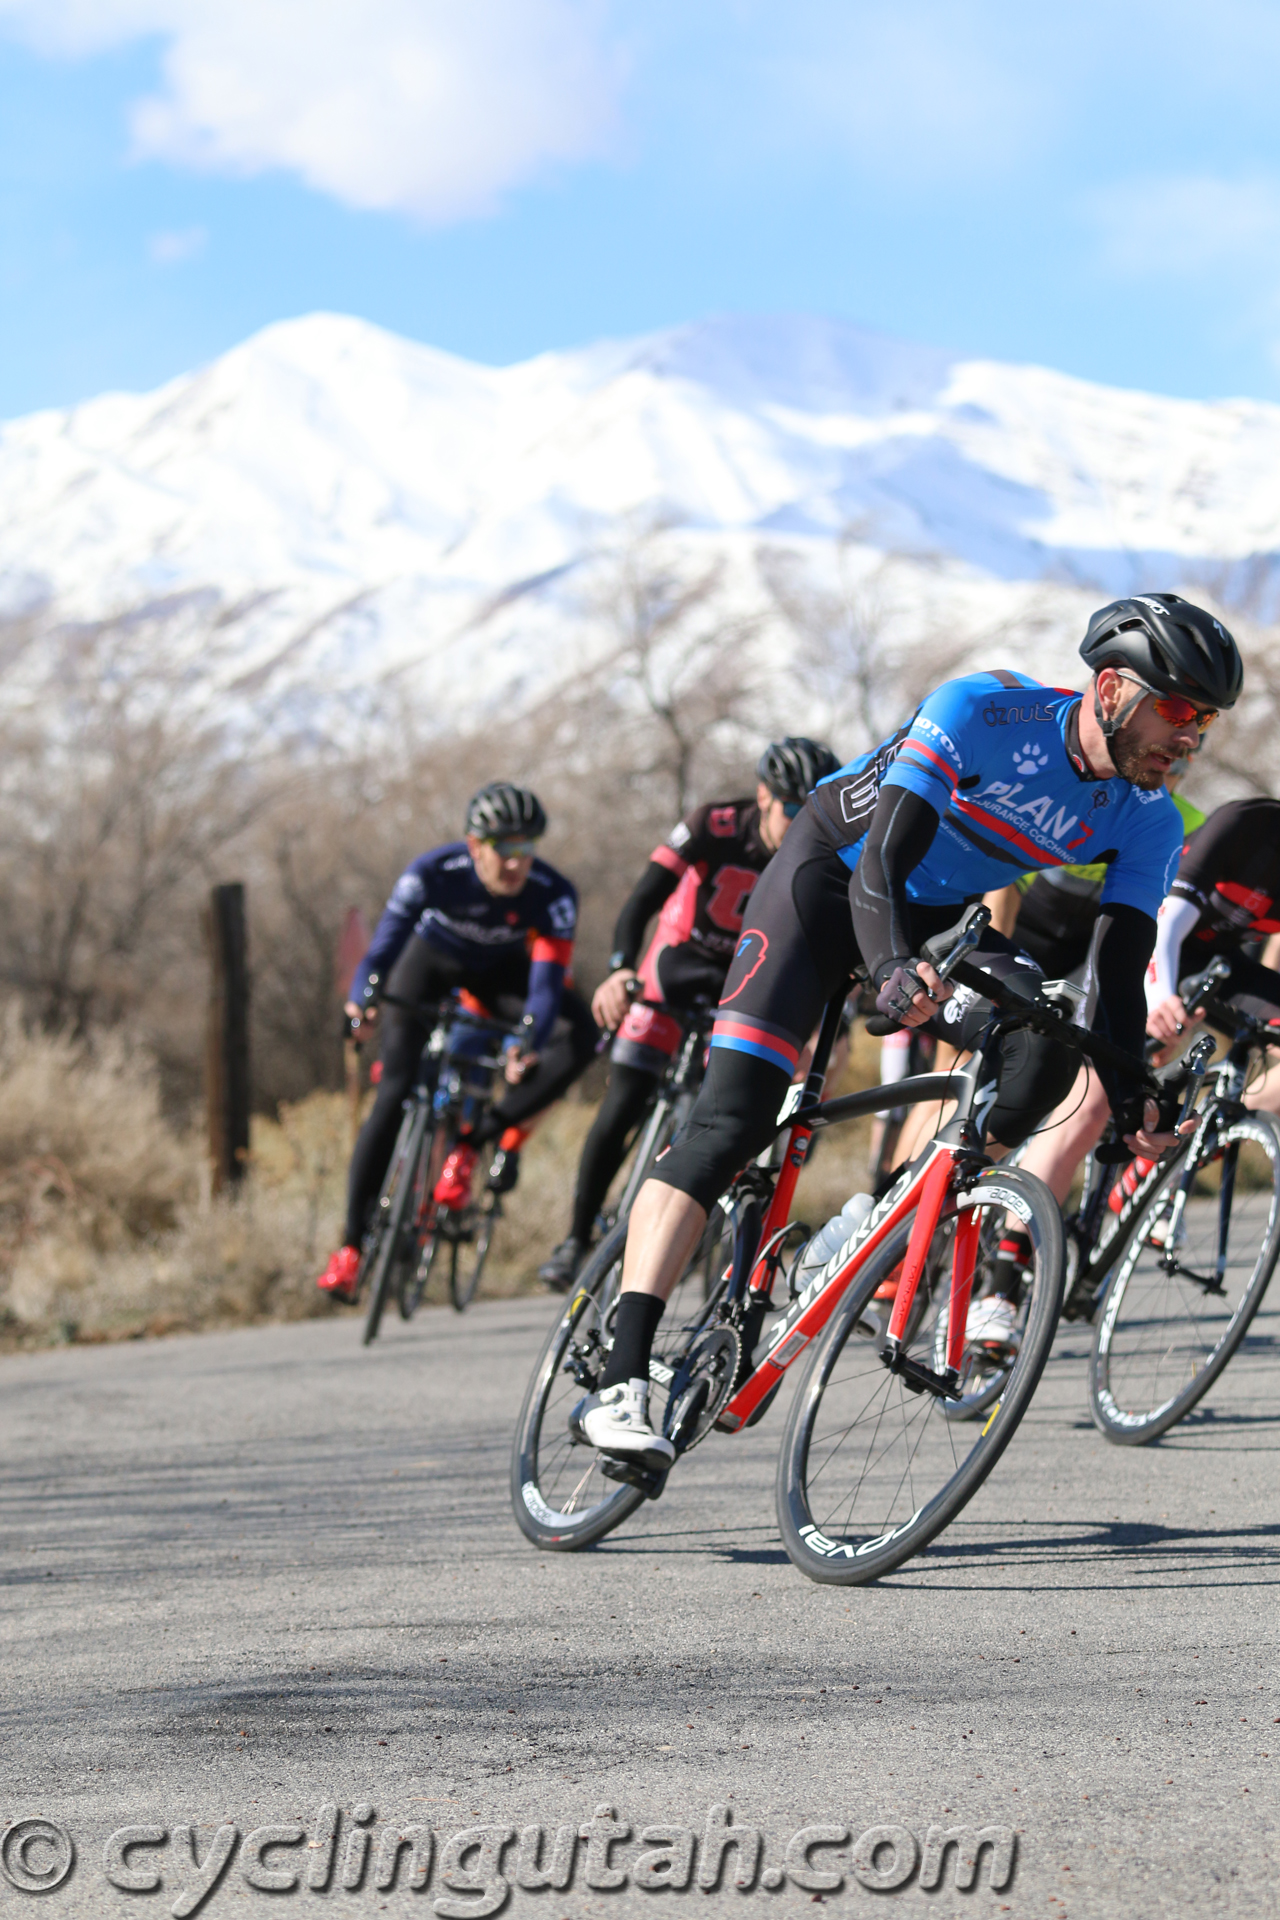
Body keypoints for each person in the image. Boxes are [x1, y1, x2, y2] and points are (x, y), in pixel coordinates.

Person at [572, 593, 1243, 1467]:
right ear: (1112, 689)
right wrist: (887, 967)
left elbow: (1115, 979)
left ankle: (868, 1217)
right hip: (829, 880)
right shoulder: (984, 711)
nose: (1189, 737)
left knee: (1040, 1043)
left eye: (1207, 721)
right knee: (731, 1123)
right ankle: (624, 1379)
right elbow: (882, 858)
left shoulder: (1147, 819)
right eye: (1179, 710)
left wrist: (1133, 1095)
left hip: (937, 916)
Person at [537, 738, 840, 1291]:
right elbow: (644, 898)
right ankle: (576, 1237)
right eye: (791, 810)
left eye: (810, 811)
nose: (799, 823)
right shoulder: (714, 823)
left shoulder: (821, 846)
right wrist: (619, 968)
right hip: (676, 964)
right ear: (763, 797)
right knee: (624, 1097)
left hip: (742, 982)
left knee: (719, 1107)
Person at [317, 783, 597, 1300]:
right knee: (394, 1093)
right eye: (504, 848)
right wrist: (363, 1002)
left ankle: (471, 1143)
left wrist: (530, 1037)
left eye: (527, 848)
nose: (517, 863)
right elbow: (379, 956)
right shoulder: (430, 874)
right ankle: (351, 1248)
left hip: (501, 974)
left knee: (582, 1036)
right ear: (475, 845)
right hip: (428, 966)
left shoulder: (553, 892)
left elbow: (547, 981)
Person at [1145, 794, 1280, 1113]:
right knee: (1098, 1095)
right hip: (1149, 938)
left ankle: (1209, 1129)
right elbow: (1165, 925)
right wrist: (1160, 1000)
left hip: (1220, 961)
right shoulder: (1250, 823)